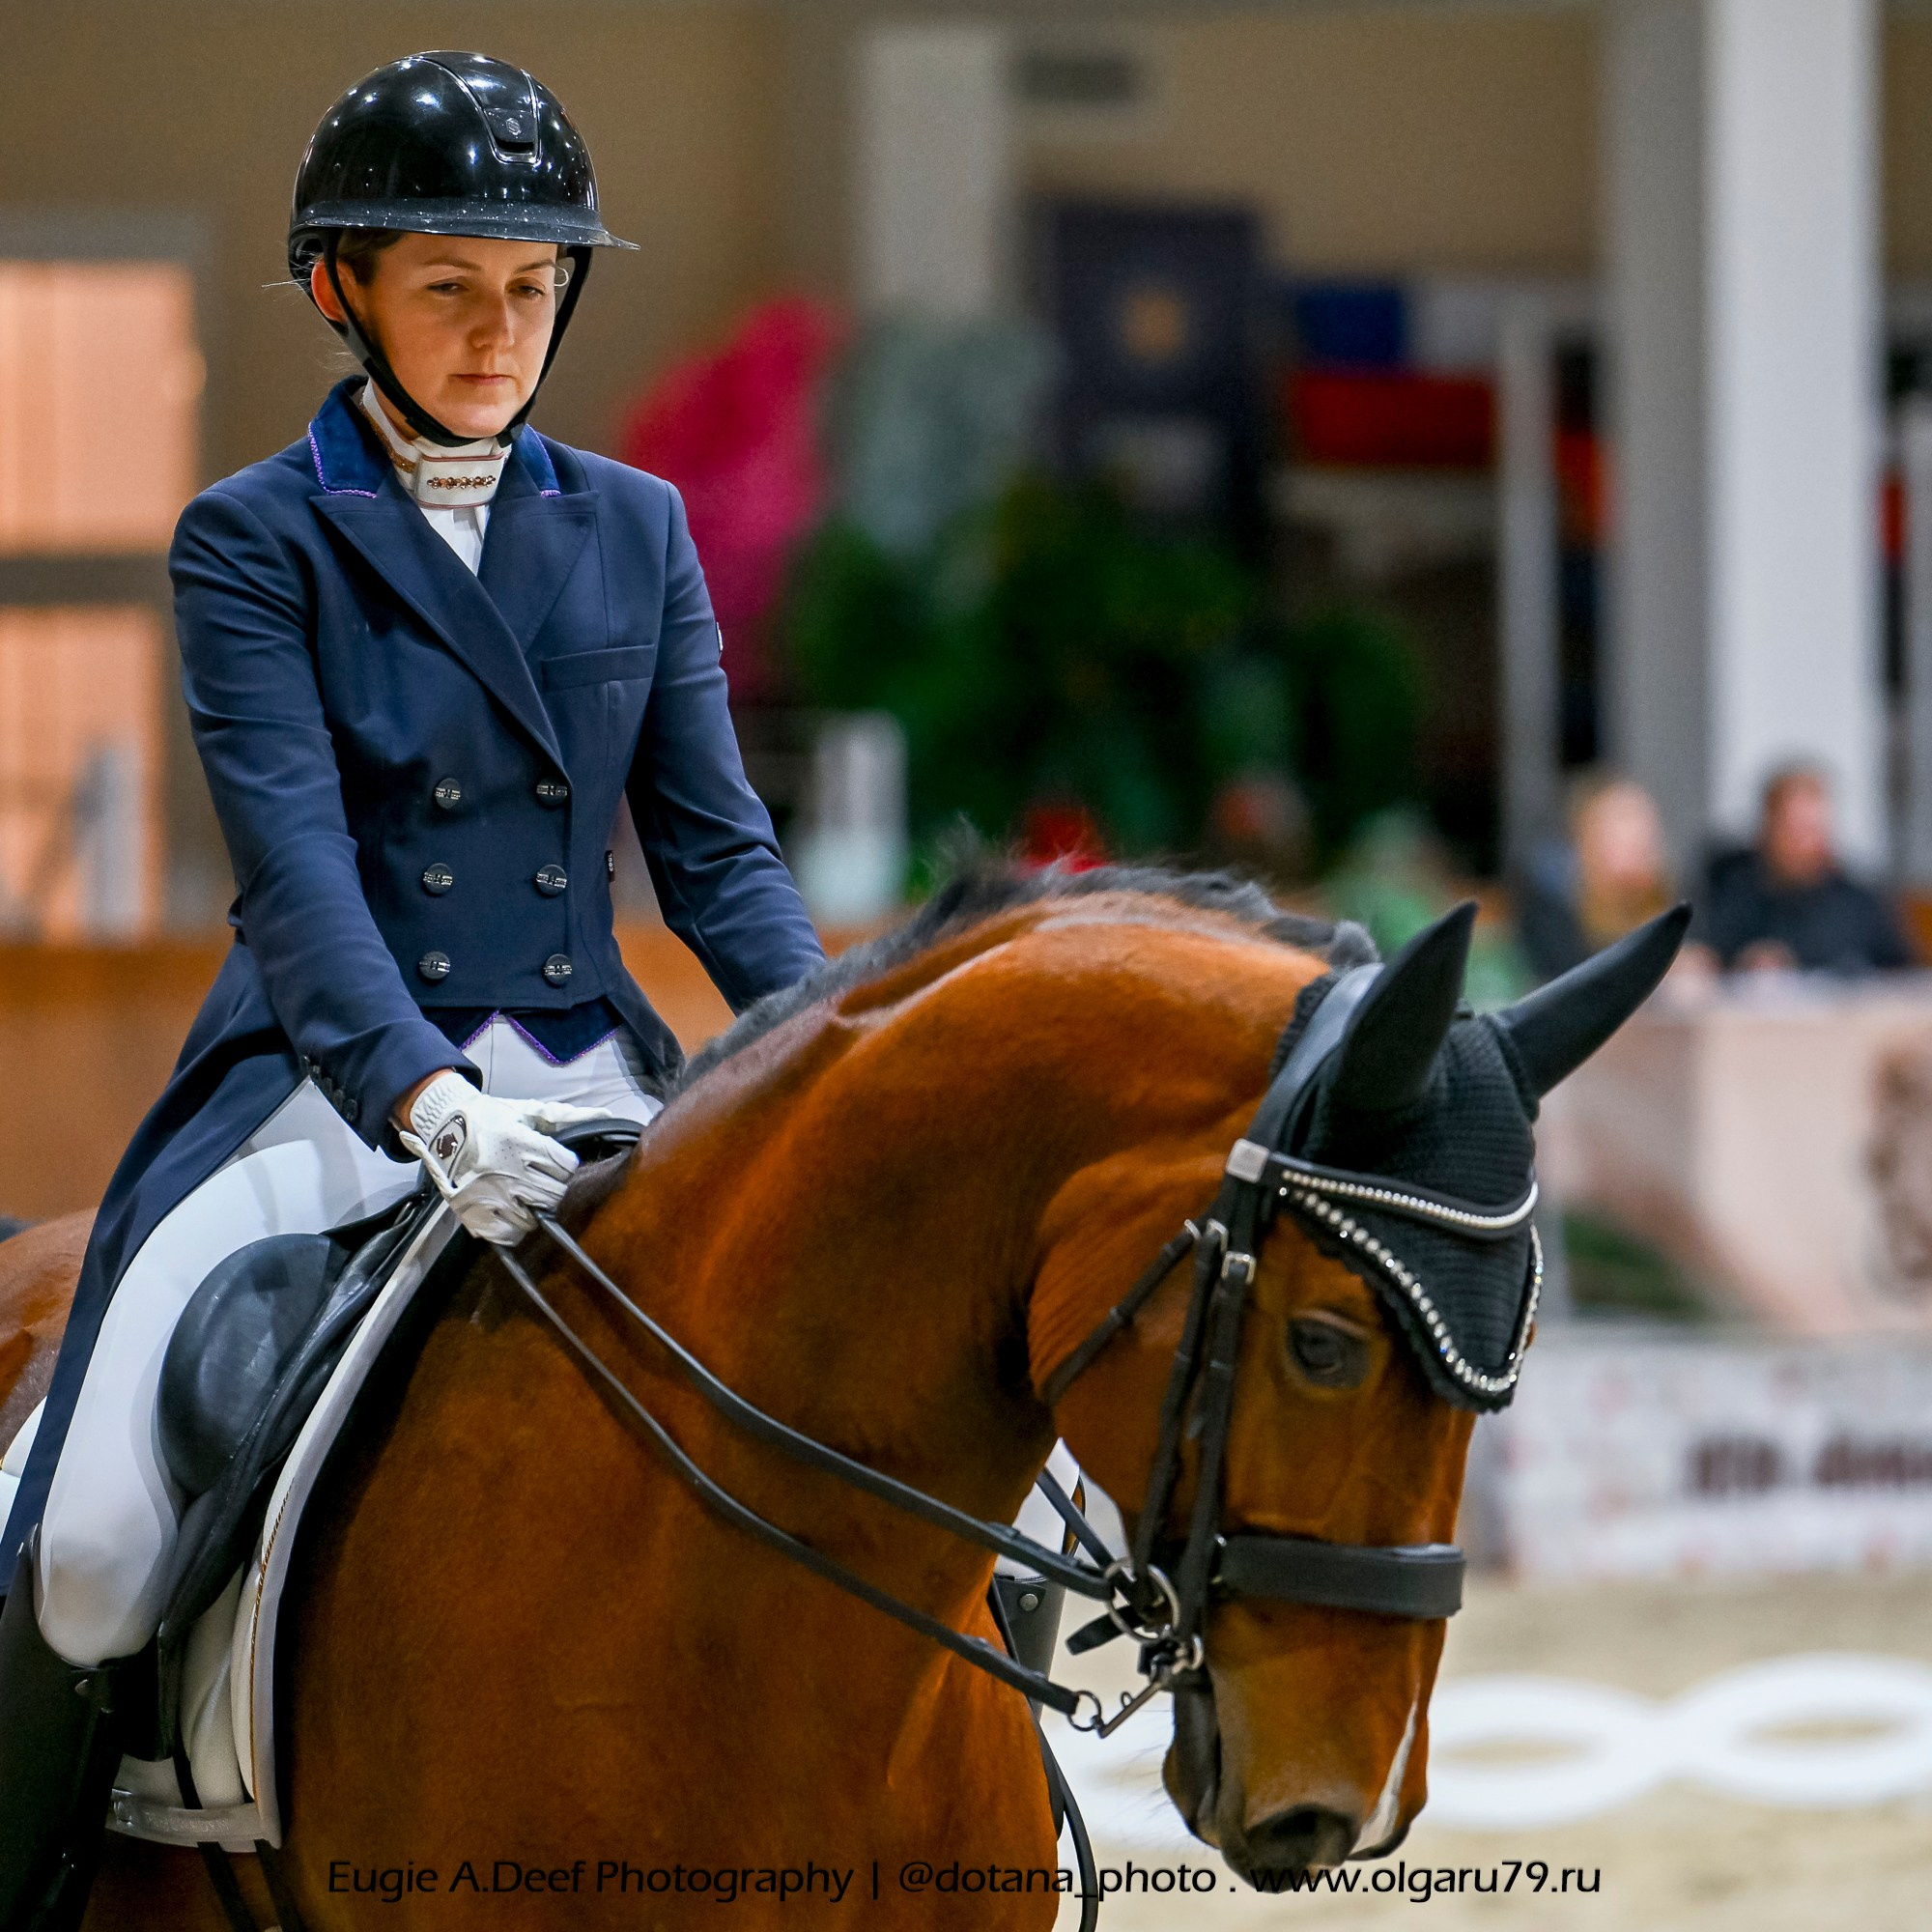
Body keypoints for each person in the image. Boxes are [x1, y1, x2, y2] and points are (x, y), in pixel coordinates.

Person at [0, 52, 824, 1925]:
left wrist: (818, 1054)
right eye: (450, 282)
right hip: (325, 1076)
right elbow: (292, 871)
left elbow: (718, 855)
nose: (496, 327)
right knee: (95, 1536)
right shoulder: (254, 539)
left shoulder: (634, 528)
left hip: (595, 1066)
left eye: (531, 287)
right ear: (341, 289)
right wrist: (424, 1100)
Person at [1703, 764, 1914, 975]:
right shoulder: (1735, 893)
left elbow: (1904, 974)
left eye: (1815, 830)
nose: (1808, 844)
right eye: (1795, 831)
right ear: (1768, 829)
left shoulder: (1859, 903)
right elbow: (1706, 955)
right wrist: (1743, 963)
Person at [1516, 773, 1677, 982]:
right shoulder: (1553, 909)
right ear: (1587, 838)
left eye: (1645, 828)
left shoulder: (1671, 904)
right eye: (1622, 826)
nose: (1640, 841)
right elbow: (1565, 983)